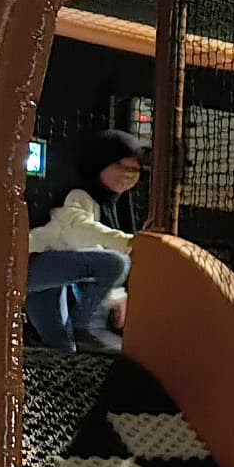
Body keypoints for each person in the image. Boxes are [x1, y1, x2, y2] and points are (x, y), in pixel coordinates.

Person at [24, 129, 142, 351]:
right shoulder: (78, 195)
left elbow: (91, 250)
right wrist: (128, 242)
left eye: (134, 169)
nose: (128, 174)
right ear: (99, 164)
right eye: (120, 165)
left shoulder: (111, 205)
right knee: (116, 262)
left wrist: (115, 294)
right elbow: (79, 231)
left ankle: (81, 332)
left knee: (63, 346)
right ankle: (87, 326)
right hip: (33, 265)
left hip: (49, 280)